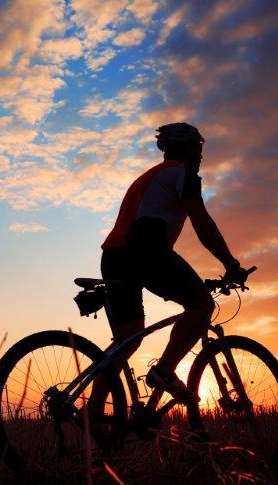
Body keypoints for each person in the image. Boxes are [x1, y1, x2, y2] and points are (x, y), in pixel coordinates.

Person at [90, 122, 248, 408]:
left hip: (114, 257)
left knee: (128, 340)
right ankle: (163, 372)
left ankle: (94, 417)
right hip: (146, 249)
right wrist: (230, 263)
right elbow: (201, 222)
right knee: (201, 305)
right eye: (198, 148)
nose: (201, 155)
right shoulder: (182, 173)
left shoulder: (150, 177)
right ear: (186, 148)